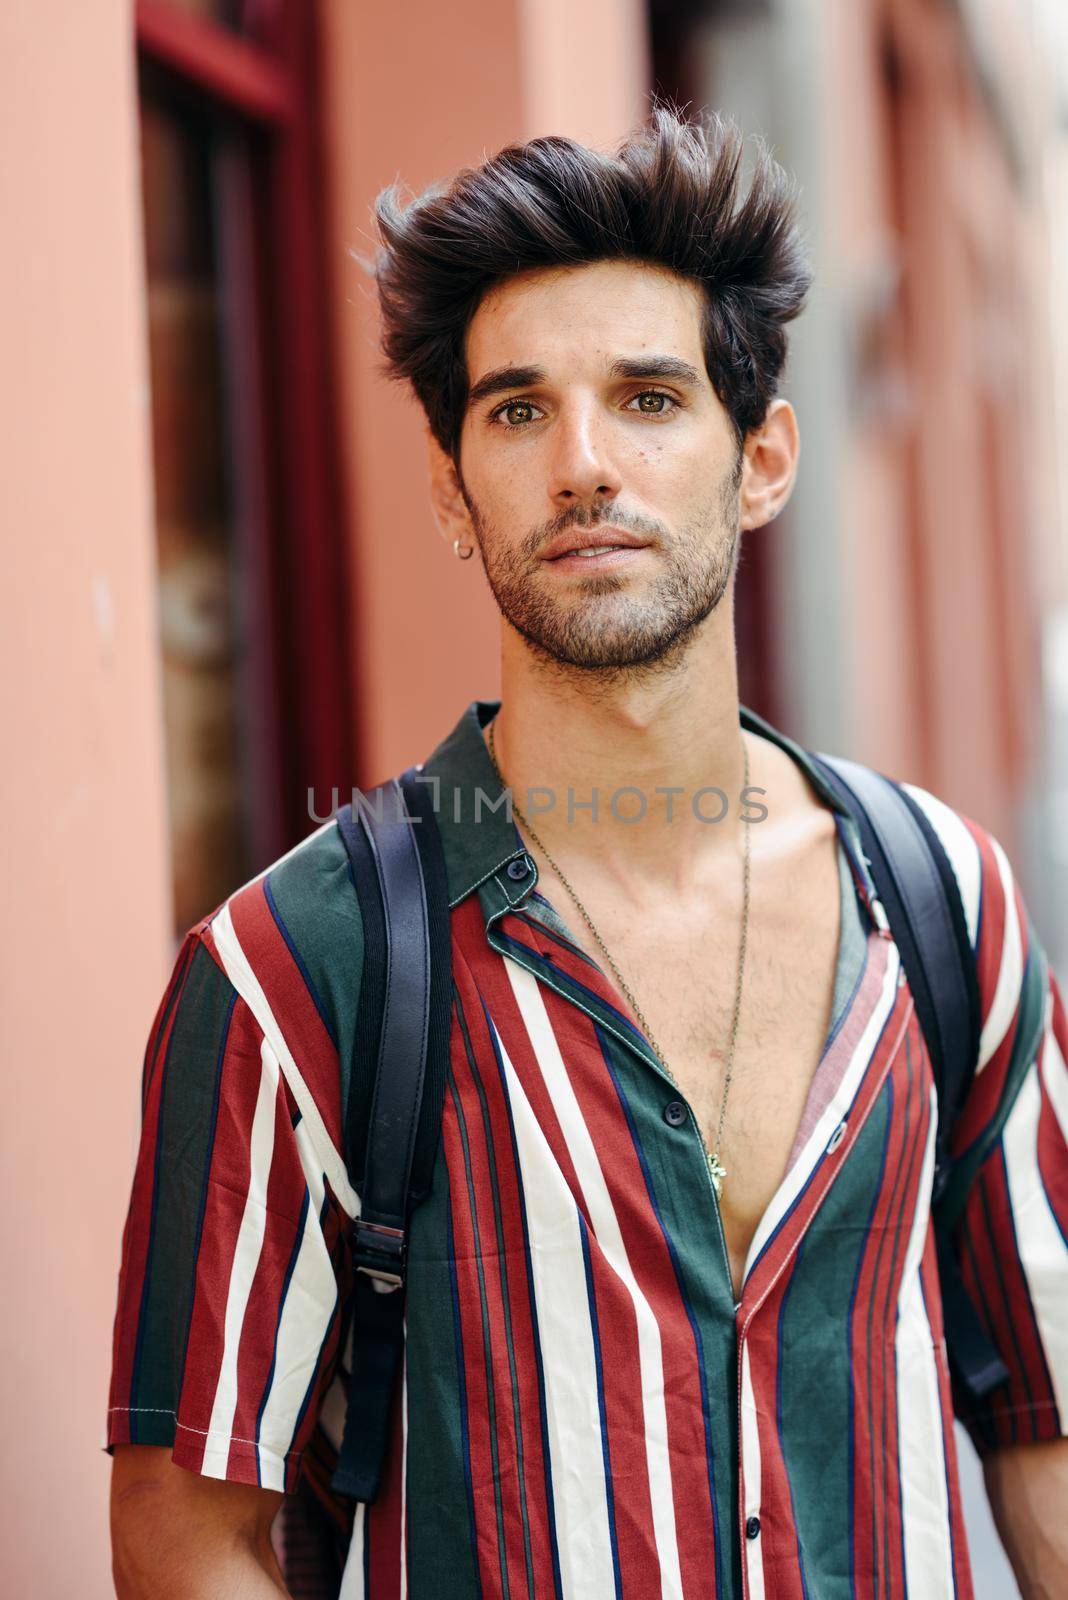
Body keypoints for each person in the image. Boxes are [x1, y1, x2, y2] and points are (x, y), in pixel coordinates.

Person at [107, 107, 1068, 1599]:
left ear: (762, 461)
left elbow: (1046, 1434)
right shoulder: (294, 973)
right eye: (516, 411)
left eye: (648, 398)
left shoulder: (951, 911)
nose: (584, 466)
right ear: (450, 491)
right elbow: (191, 1536)